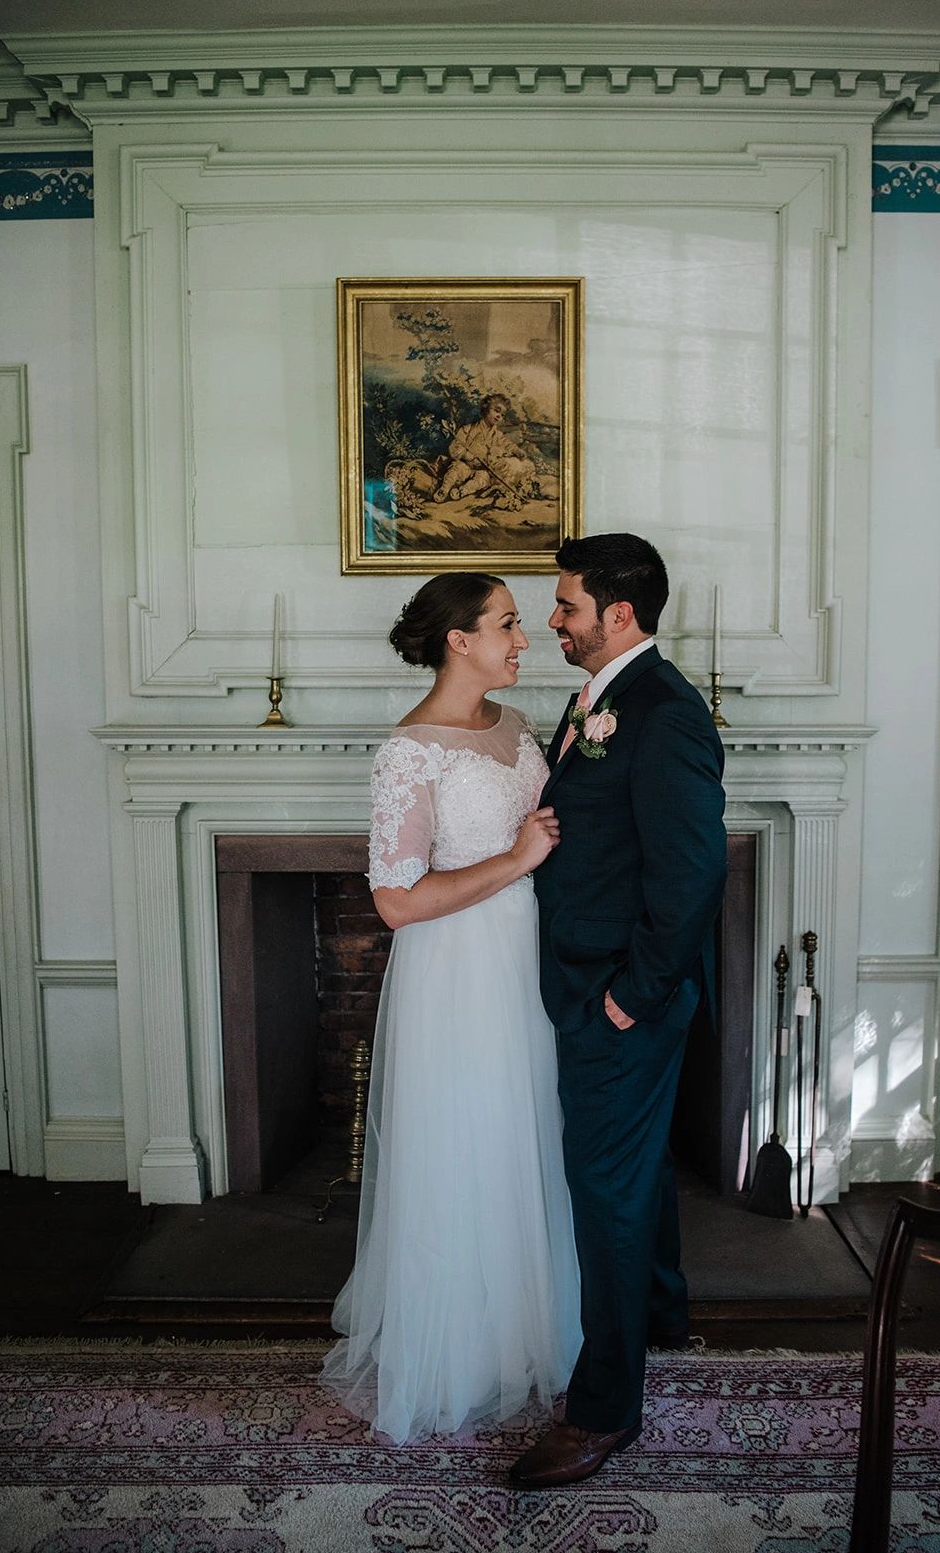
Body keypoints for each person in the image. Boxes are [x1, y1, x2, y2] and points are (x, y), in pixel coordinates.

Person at [321, 572, 581, 1444]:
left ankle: (523, 1336)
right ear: (459, 639)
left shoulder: (515, 728)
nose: (523, 639)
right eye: (507, 625)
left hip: (523, 962)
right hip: (457, 975)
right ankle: (458, 1353)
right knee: (465, 1142)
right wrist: (515, 862)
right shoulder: (409, 753)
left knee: (519, 1135)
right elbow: (395, 900)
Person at [509, 532, 729, 1489]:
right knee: (631, 1172)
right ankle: (665, 1315)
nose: (553, 620)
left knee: (604, 1187)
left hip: (620, 993)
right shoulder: (595, 698)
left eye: (565, 606)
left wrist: (629, 998)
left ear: (620, 615)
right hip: (595, 979)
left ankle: (603, 1411)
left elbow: (691, 875)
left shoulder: (665, 713)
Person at [434, 394, 537, 508]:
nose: (499, 416)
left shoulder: (496, 435)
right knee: (455, 470)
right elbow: (454, 448)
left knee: (483, 479)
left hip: (482, 468)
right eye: (496, 411)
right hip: (464, 464)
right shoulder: (468, 429)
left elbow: (507, 444)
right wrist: (467, 455)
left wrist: (517, 451)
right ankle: (443, 490)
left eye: (502, 415)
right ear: (486, 408)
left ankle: (461, 492)